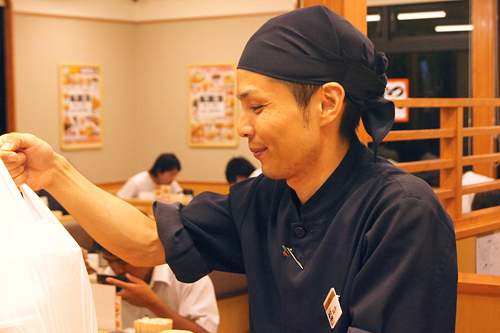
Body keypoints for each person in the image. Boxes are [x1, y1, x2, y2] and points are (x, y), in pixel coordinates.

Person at [1, 5, 457, 332]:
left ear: (328, 103)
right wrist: (55, 173)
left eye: (258, 106)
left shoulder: (401, 212)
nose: (242, 127)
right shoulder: (268, 199)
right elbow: (145, 242)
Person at [88, 245, 219, 333]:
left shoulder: (188, 276)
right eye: (109, 261)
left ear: (147, 254)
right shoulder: (109, 275)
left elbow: (204, 332)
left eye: (123, 262)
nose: (116, 269)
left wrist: (153, 304)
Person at [117, 153, 183, 199]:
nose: (173, 178)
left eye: (175, 175)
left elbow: (181, 198)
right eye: (171, 174)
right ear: (159, 171)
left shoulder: (171, 183)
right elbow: (120, 200)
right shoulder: (137, 181)